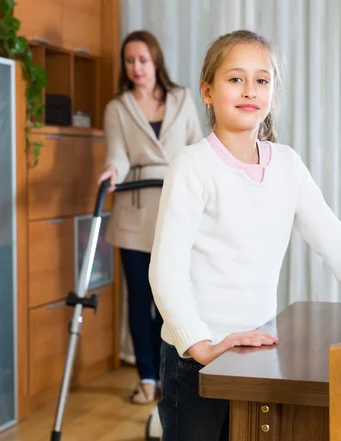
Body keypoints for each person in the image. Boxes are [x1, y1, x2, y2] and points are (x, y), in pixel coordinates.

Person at [148, 29, 341, 440]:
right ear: (207, 91)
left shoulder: (287, 165)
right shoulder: (191, 166)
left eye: (261, 80)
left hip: (256, 354)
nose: (249, 90)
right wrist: (199, 344)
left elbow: (336, 240)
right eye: (235, 79)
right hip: (193, 363)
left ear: (273, 93)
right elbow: (165, 272)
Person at [98, 29, 203, 405]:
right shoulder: (117, 107)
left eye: (143, 59)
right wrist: (112, 170)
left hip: (176, 207)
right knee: (139, 298)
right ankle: (145, 376)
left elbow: (196, 148)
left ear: (156, 61)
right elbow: (119, 155)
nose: (136, 67)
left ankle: (169, 375)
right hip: (134, 212)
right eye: (130, 61)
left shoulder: (182, 98)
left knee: (170, 297)